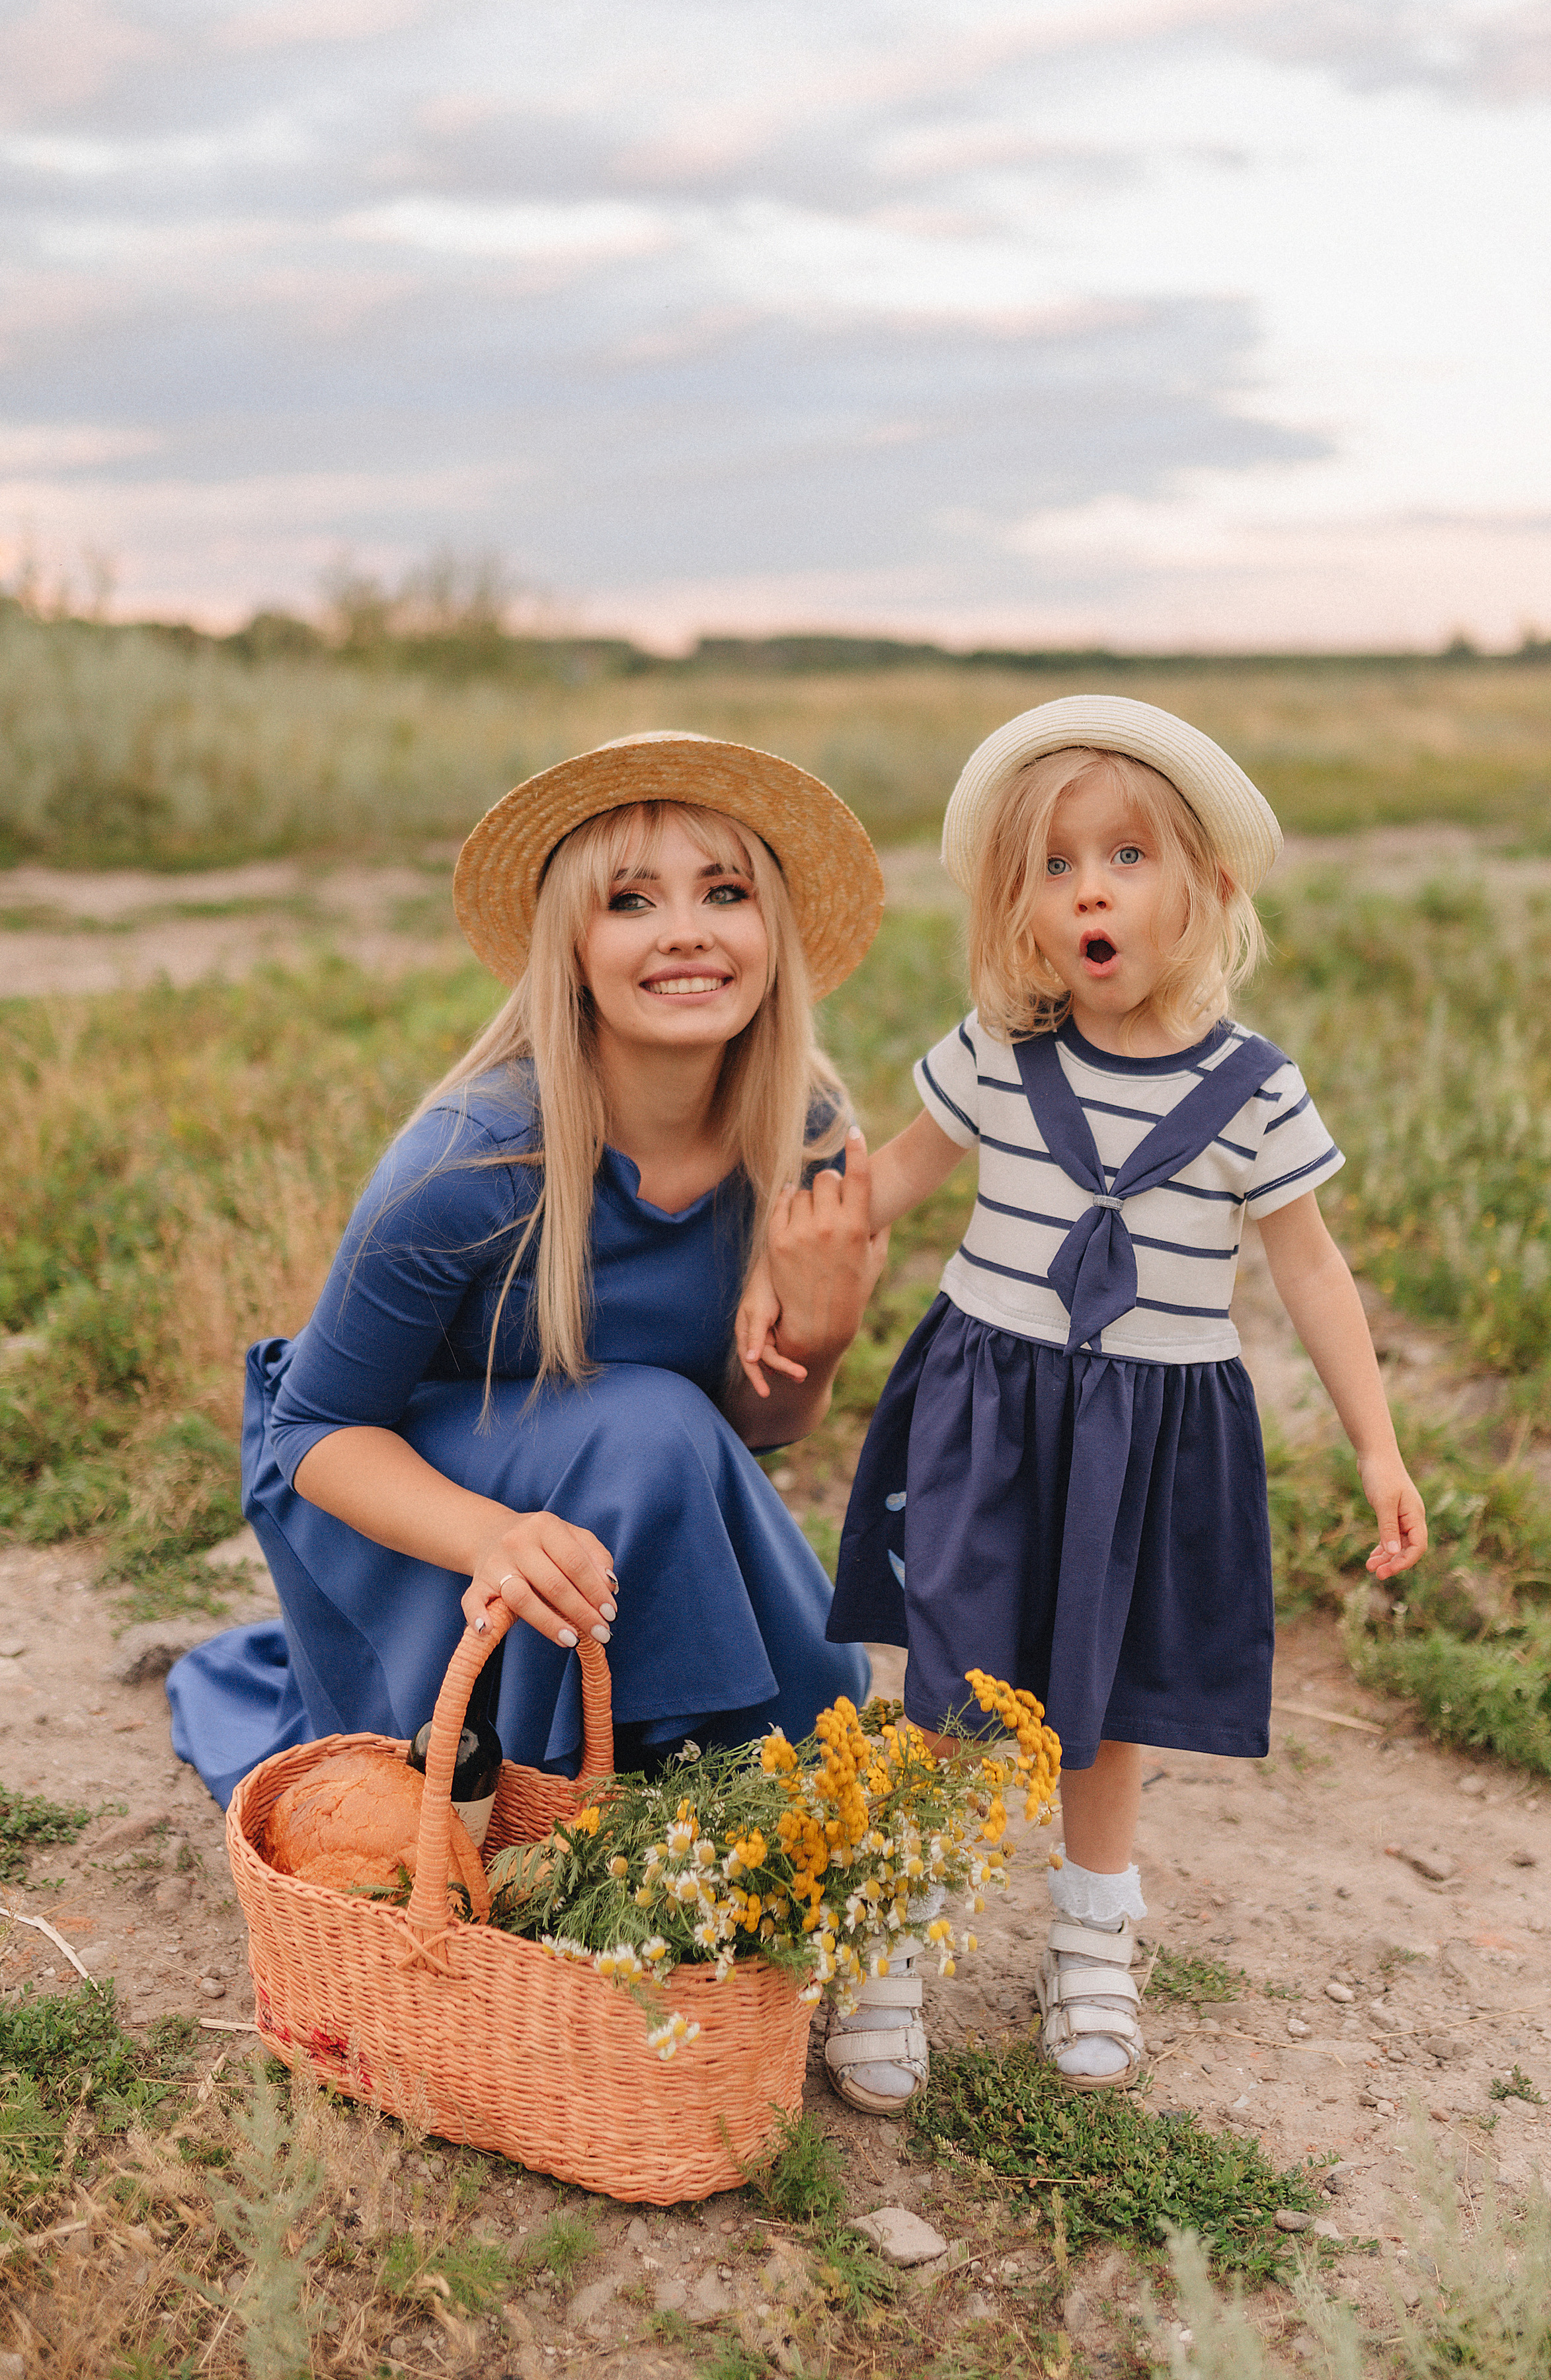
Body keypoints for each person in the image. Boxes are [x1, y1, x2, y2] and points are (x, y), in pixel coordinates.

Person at [738, 695, 1429, 2113]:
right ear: (1023, 902)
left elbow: (1308, 1263)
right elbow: (884, 1185)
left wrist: (1376, 1443)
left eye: (1122, 855)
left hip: (1150, 1426)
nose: (1087, 888)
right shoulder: (1000, 1051)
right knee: (943, 1686)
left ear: (1205, 886)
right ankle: (891, 1938)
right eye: (1054, 865)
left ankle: (1092, 1934)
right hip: (987, 1412)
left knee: (1100, 1704)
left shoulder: (1251, 1091)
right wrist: (782, 1256)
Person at [167, 732, 887, 1810]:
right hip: (413, 1497)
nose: (685, 932)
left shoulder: (805, 1136)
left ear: (771, 929)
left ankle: (665, 1775)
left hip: (631, 1490)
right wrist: (491, 1538)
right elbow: (309, 1433)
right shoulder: (471, 1160)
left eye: (724, 891)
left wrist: (819, 1342)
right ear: (572, 947)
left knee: (685, 1475)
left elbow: (746, 1430)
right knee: (646, 1420)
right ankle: (562, 1778)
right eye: (632, 902)